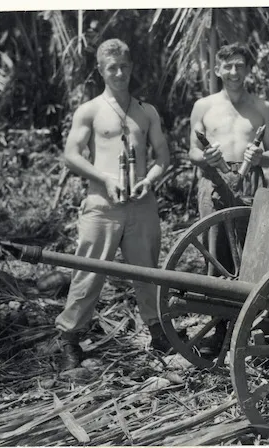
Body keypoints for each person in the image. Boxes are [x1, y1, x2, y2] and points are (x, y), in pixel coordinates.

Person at [57, 38, 171, 370]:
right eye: (112, 68)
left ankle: (158, 331)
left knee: (147, 271)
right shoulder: (90, 110)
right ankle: (70, 339)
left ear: (132, 67)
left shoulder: (146, 111)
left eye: (124, 66)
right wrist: (105, 178)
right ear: (100, 70)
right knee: (89, 272)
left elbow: (162, 157)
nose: (119, 73)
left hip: (141, 205)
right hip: (102, 205)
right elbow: (71, 155)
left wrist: (148, 180)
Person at [188, 42, 269, 353]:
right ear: (217, 70)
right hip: (214, 181)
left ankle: (249, 329)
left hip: (250, 182)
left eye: (239, 65)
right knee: (217, 256)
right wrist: (206, 156)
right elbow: (192, 151)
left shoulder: (262, 107)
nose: (233, 72)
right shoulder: (204, 106)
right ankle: (219, 330)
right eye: (227, 66)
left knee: (252, 254)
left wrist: (259, 157)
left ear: (248, 69)